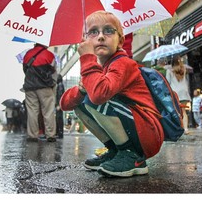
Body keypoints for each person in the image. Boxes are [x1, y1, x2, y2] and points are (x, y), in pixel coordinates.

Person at [60, 10, 164, 178]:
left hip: (147, 132)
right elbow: (65, 105)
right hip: (135, 128)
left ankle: (132, 156)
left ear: (120, 41)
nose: (101, 36)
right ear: (85, 40)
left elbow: (99, 95)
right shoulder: (95, 69)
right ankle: (116, 150)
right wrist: (80, 89)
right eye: (93, 32)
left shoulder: (123, 63)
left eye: (108, 30)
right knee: (81, 102)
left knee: (94, 97)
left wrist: (87, 58)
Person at [23, 43, 57, 142]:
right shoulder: (49, 55)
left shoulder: (28, 54)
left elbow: (25, 70)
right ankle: (50, 135)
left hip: (29, 87)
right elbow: (54, 70)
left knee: (32, 112)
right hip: (45, 86)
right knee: (48, 111)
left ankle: (32, 135)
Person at [166, 55, 191, 134]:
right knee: (183, 111)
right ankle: (186, 129)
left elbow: (168, 82)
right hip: (184, 92)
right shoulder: (183, 69)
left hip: (175, 93)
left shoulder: (169, 71)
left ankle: (178, 128)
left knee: (176, 112)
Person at [55, 74, 65, 138]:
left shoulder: (60, 85)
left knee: (59, 118)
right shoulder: (60, 85)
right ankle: (59, 132)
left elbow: (60, 95)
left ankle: (60, 132)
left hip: (59, 104)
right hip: (60, 104)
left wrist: (58, 104)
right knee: (59, 118)